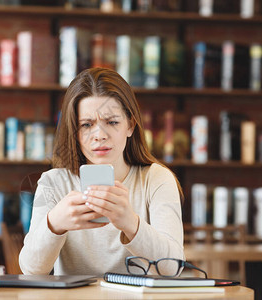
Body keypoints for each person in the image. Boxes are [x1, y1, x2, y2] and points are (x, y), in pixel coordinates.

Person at [19, 67, 184, 275]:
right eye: (86, 125)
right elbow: (30, 270)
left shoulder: (157, 179)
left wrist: (131, 224)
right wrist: (55, 223)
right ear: (75, 132)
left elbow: (173, 269)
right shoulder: (53, 183)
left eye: (112, 122)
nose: (99, 135)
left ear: (130, 125)